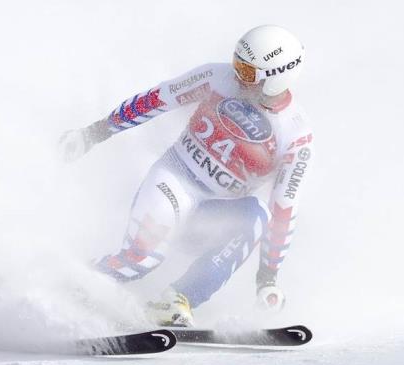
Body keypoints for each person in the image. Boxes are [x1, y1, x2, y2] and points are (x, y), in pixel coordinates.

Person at [58, 25, 314, 327]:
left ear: (275, 78)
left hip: (212, 216)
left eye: (247, 72)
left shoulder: (295, 134)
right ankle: (68, 285)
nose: (236, 75)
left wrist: (267, 278)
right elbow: (156, 100)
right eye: (236, 64)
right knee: (141, 261)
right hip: (174, 182)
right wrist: (93, 133)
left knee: (256, 216)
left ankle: (176, 300)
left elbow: (283, 208)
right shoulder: (216, 78)